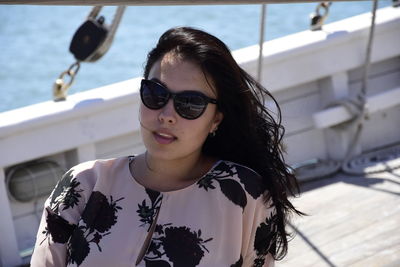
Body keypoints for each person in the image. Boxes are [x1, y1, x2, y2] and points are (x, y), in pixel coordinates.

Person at [31, 26, 302, 267]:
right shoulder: (83, 185)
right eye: (155, 94)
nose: (166, 114)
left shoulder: (246, 195)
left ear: (215, 120)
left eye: (190, 103)